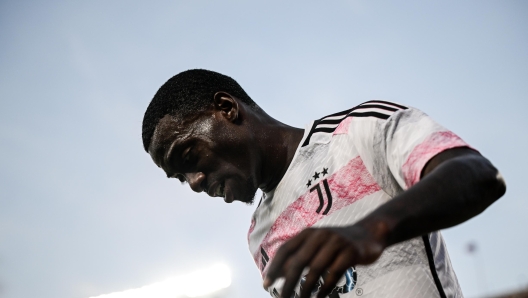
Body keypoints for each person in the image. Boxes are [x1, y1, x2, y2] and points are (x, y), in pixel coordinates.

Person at [142, 69, 506, 298]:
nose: (193, 183)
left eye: (189, 157)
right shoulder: (259, 238)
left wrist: (372, 229)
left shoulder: (358, 131)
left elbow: (477, 175)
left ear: (227, 109)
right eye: (181, 178)